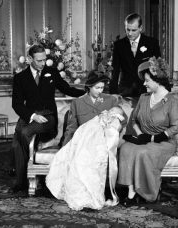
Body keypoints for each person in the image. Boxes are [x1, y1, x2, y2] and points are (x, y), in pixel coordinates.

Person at [10, 44, 85, 194]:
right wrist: (32, 116)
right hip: (31, 115)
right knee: (16, 141)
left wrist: (86, 92)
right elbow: (16, 104)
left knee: (23, 133)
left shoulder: (51, 72)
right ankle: (22, 181)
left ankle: (23, 178)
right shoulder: (20, 77)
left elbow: (66, 88)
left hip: (48, 116)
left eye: (45, 60)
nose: (43, 63)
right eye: (39, 61)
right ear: (30, 59)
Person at [117, 56, 178, 207]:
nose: (144, 83)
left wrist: (154, 138)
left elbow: (176, 127)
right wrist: (140, 134)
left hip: (164, 142)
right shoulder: (144, 97)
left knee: (142, 152)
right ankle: (131, 192)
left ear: (157, 80)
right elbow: (133, 119)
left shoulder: (172, 101)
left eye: (147, 80)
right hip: (143, 138)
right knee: (126, 148)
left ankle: (149, 191)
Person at [46, 106, 126, 211]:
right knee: (78, 155)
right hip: (86, 136)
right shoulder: (97, 113)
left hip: (99, 142)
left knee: (89, 161)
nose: (111, 112)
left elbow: (112, 136)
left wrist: (108, 124)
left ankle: (90, 197)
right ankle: (79, 196)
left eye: (114, 112)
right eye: (111, 110)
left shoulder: (115, 120)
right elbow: (86, 127)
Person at [61, 70, 122, 146]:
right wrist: (65, 148)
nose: (100, 91)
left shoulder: (111, 100)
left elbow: (122, 121)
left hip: (105, 143)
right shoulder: (77, 103)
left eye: (102, 87)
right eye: (97, 88)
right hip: (84, 143)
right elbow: (71, 129)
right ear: (89, 86)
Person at [109, 13, 161, 97]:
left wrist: (158, 91)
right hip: (125, 90)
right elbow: (115, 71)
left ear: (141, 28)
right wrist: (113, 94)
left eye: (133, 30)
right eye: (127, 30)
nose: (130, 33)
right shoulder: (118, 45)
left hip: (145, 90)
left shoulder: (152, 43)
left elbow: (158, 69)